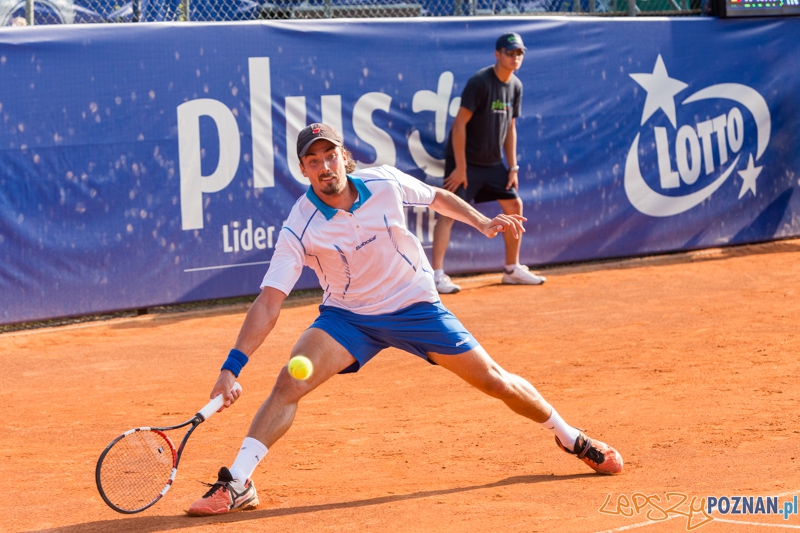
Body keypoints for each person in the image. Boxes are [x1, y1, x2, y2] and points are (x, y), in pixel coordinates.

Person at [186, 123, 622, 517]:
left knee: (495, 381)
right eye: (313, 160)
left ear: (344, 156)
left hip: (415, 306)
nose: (324, 166)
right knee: (288, 382)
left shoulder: (384, 181)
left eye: (329, 155)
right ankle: (238, 482)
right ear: (303, 170)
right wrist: (231, 367)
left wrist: (483, 222)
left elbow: (437, 198)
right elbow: (268, 302)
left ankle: (570, 436)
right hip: (349, 318)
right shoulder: (299, 226)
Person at [432, 32, 546, 294]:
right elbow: (459, 124)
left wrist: (512, 166)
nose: (515, 57)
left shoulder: (516, 86)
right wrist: (460, 168)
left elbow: (510, 128)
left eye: (519, 53)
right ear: (497, 54)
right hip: (466, 162)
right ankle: (437, 275)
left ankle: (511, 269)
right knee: (448, 212)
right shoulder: (480, 82)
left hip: (493, 163)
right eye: (510, 52)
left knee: (514, 204)